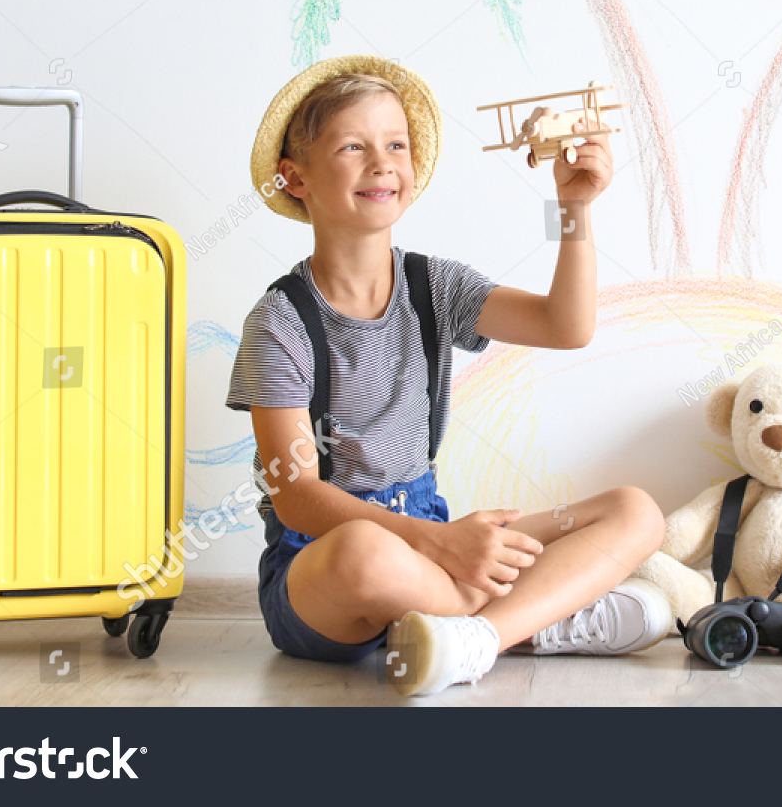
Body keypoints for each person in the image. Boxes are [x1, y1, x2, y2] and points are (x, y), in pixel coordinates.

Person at [226, 55, 671, 697]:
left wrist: (573, 207)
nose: (382, 162)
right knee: (361, 550)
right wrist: (438, 544)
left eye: (396, 144)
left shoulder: (433, 287)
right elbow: (295, 495)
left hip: (437, 541)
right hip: (324, 572)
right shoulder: (280, 321)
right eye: (353, 146)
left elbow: (565, 326)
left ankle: (475, 636)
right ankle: (529, 621)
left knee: (636, 511)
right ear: (294, 178)